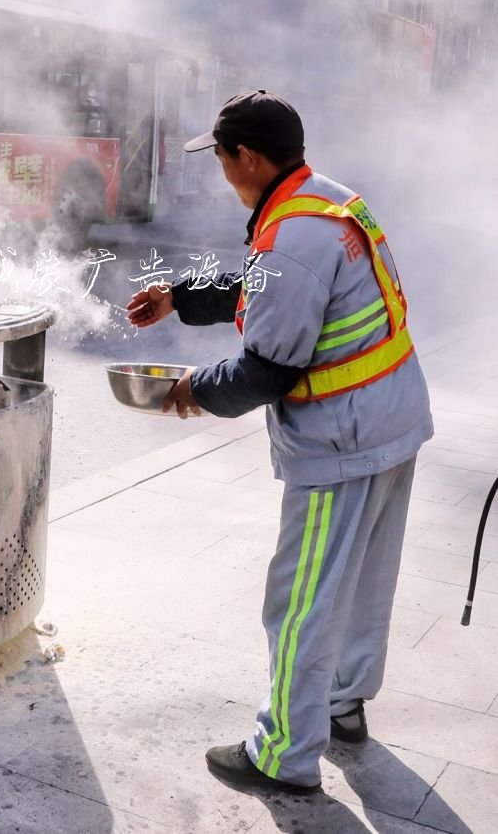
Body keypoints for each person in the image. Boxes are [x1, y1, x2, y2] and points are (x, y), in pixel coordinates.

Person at [126, 91, 433, 796]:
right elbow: (265, 290)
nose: (222, 172)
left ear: (252, 159)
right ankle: (342, 705)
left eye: (224, 158)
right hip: (391, 418)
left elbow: (269, 365)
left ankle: (284, 753)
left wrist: (191, 390)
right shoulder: (325, 201)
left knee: (299, 598)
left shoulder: (291, 236)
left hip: (342, 438)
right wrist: (180, 295)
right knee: (359, 582)